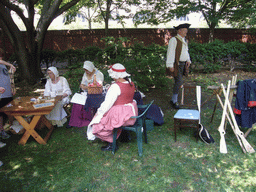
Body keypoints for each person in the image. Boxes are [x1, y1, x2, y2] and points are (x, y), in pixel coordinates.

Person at [87, 63, 138, 152]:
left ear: (116, 75)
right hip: (130, 113)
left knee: (99, 123)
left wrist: (99, 113)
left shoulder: (115, 87)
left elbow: (107, 104)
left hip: (120, 114)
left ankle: (112, 143)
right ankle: (124, 136)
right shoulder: (131, 83)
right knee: (106, 118)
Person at [67, 61, 104, 128]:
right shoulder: (85, 74)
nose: (86, 72)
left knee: (88, 101)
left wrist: (87, 87)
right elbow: (82, 83)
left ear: (91, 68)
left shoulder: (99, 74)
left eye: (87, 70)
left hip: (95, 94)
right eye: (85, 70)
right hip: (86, 92)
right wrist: (82, 86)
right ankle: (75, 121)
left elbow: (98, 86)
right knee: (77, 102)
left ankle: (87, 120)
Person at [166, 23, 191, 109]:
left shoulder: (184, 40)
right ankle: (174, 101)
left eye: (186, 31)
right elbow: (171, 52)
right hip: (177, 64)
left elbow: (186, 51)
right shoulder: (174, 40)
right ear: (179, 31)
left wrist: (188, 60)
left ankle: (174, 99)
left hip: (183, 65)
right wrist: (170, 65)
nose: (186, 32)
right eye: (184, 30)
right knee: (179, 82)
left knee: (179, 82)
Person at [0, 50, 16, 140]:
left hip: (8, 93)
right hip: (1, 94)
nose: (1, 58)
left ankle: (11, 127)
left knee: (10, 111)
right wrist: (10, 65)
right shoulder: (3, 64)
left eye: (1, 56)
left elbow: (9, 78)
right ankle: (1, 131)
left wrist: (13, 89)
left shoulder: (3, 66)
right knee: (1, 114)